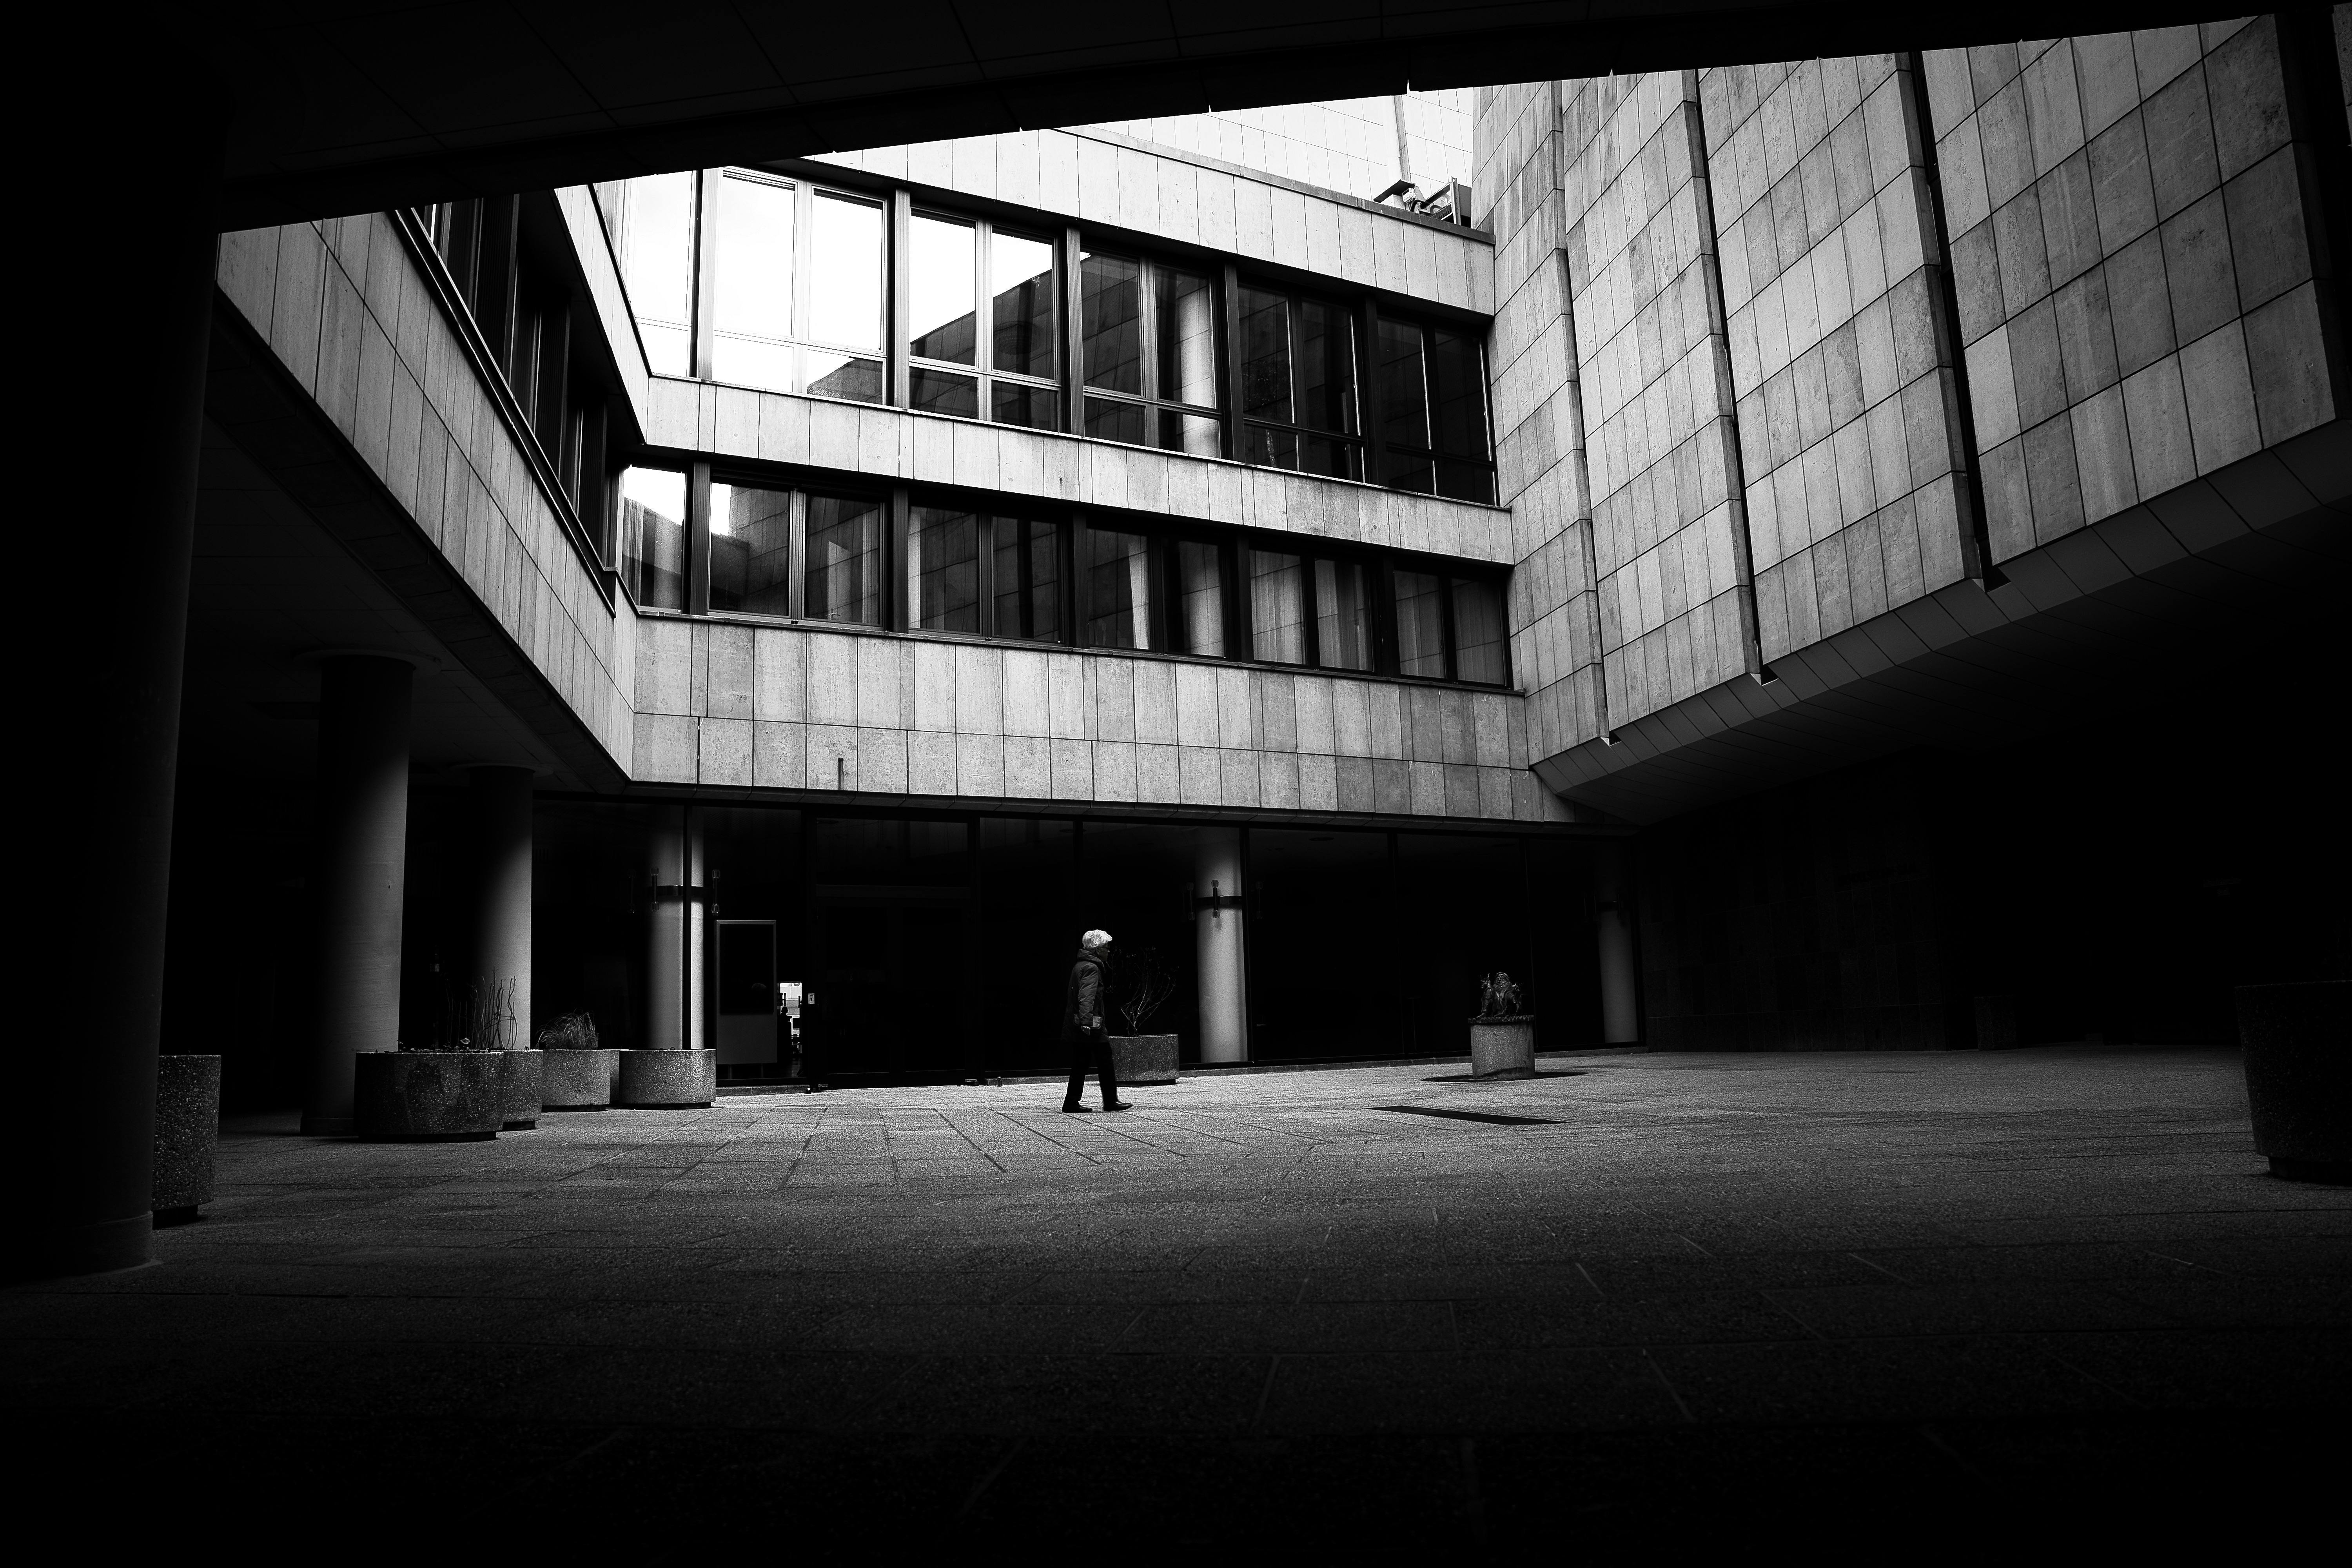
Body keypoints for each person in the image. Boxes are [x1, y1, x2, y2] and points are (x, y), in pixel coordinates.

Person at [1061, 929, 1131, 1113]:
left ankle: (1072, 1102)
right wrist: (1086, 1022)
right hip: (1091, 1026)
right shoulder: (1092, 968)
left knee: (1081, 1063)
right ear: (1098, 950)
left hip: (1084, 1024)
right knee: (1104, 1060)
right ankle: (1110, 1101)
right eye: (1107, 948)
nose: (1109, 951)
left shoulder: (1081, 965)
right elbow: (1086, 997)